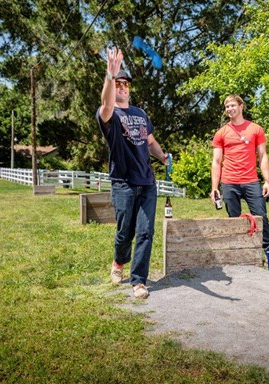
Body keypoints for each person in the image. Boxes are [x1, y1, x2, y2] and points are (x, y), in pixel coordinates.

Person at [96, 47, 168, 299]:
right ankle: (118, 263)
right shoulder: (110, 114)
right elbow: (105, 104)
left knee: (146, 231)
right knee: (125, 231)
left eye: (126, 84)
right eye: (119, 84)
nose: (123, 87)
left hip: (147, 182)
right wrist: (109, 75)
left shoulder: (140, 113)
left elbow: (149, 140)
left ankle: (139, 281)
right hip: (123, 183)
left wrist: (161, 156)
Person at [210, 94, 269, 269]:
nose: (229, 109)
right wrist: (215, 187)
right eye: (227, 106)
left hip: (251, 181)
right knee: (234, 221)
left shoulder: (256, 129)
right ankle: (239, 256)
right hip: (229, 182)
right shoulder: (221, 133)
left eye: (232, 105)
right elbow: (216, 162)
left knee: (262, 218)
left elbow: (263, 156)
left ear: (241, 106)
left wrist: (267, 181)